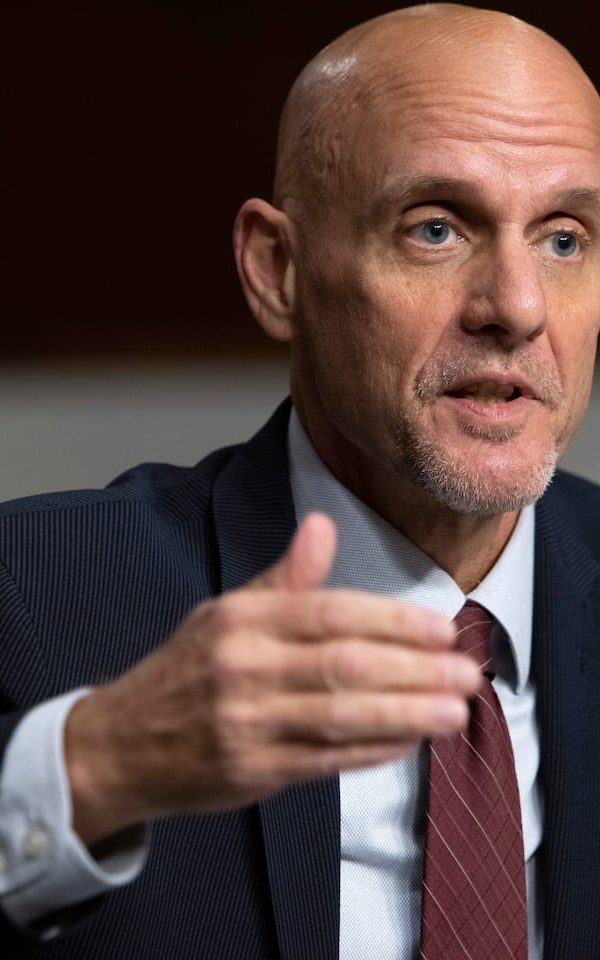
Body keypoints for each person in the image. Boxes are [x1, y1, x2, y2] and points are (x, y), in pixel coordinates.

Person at [2, 3, 600, 957]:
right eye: (436, 229)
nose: (518, 308)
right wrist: (97, 766)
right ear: (277, 270)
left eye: (564, 239)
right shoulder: (31, 590)